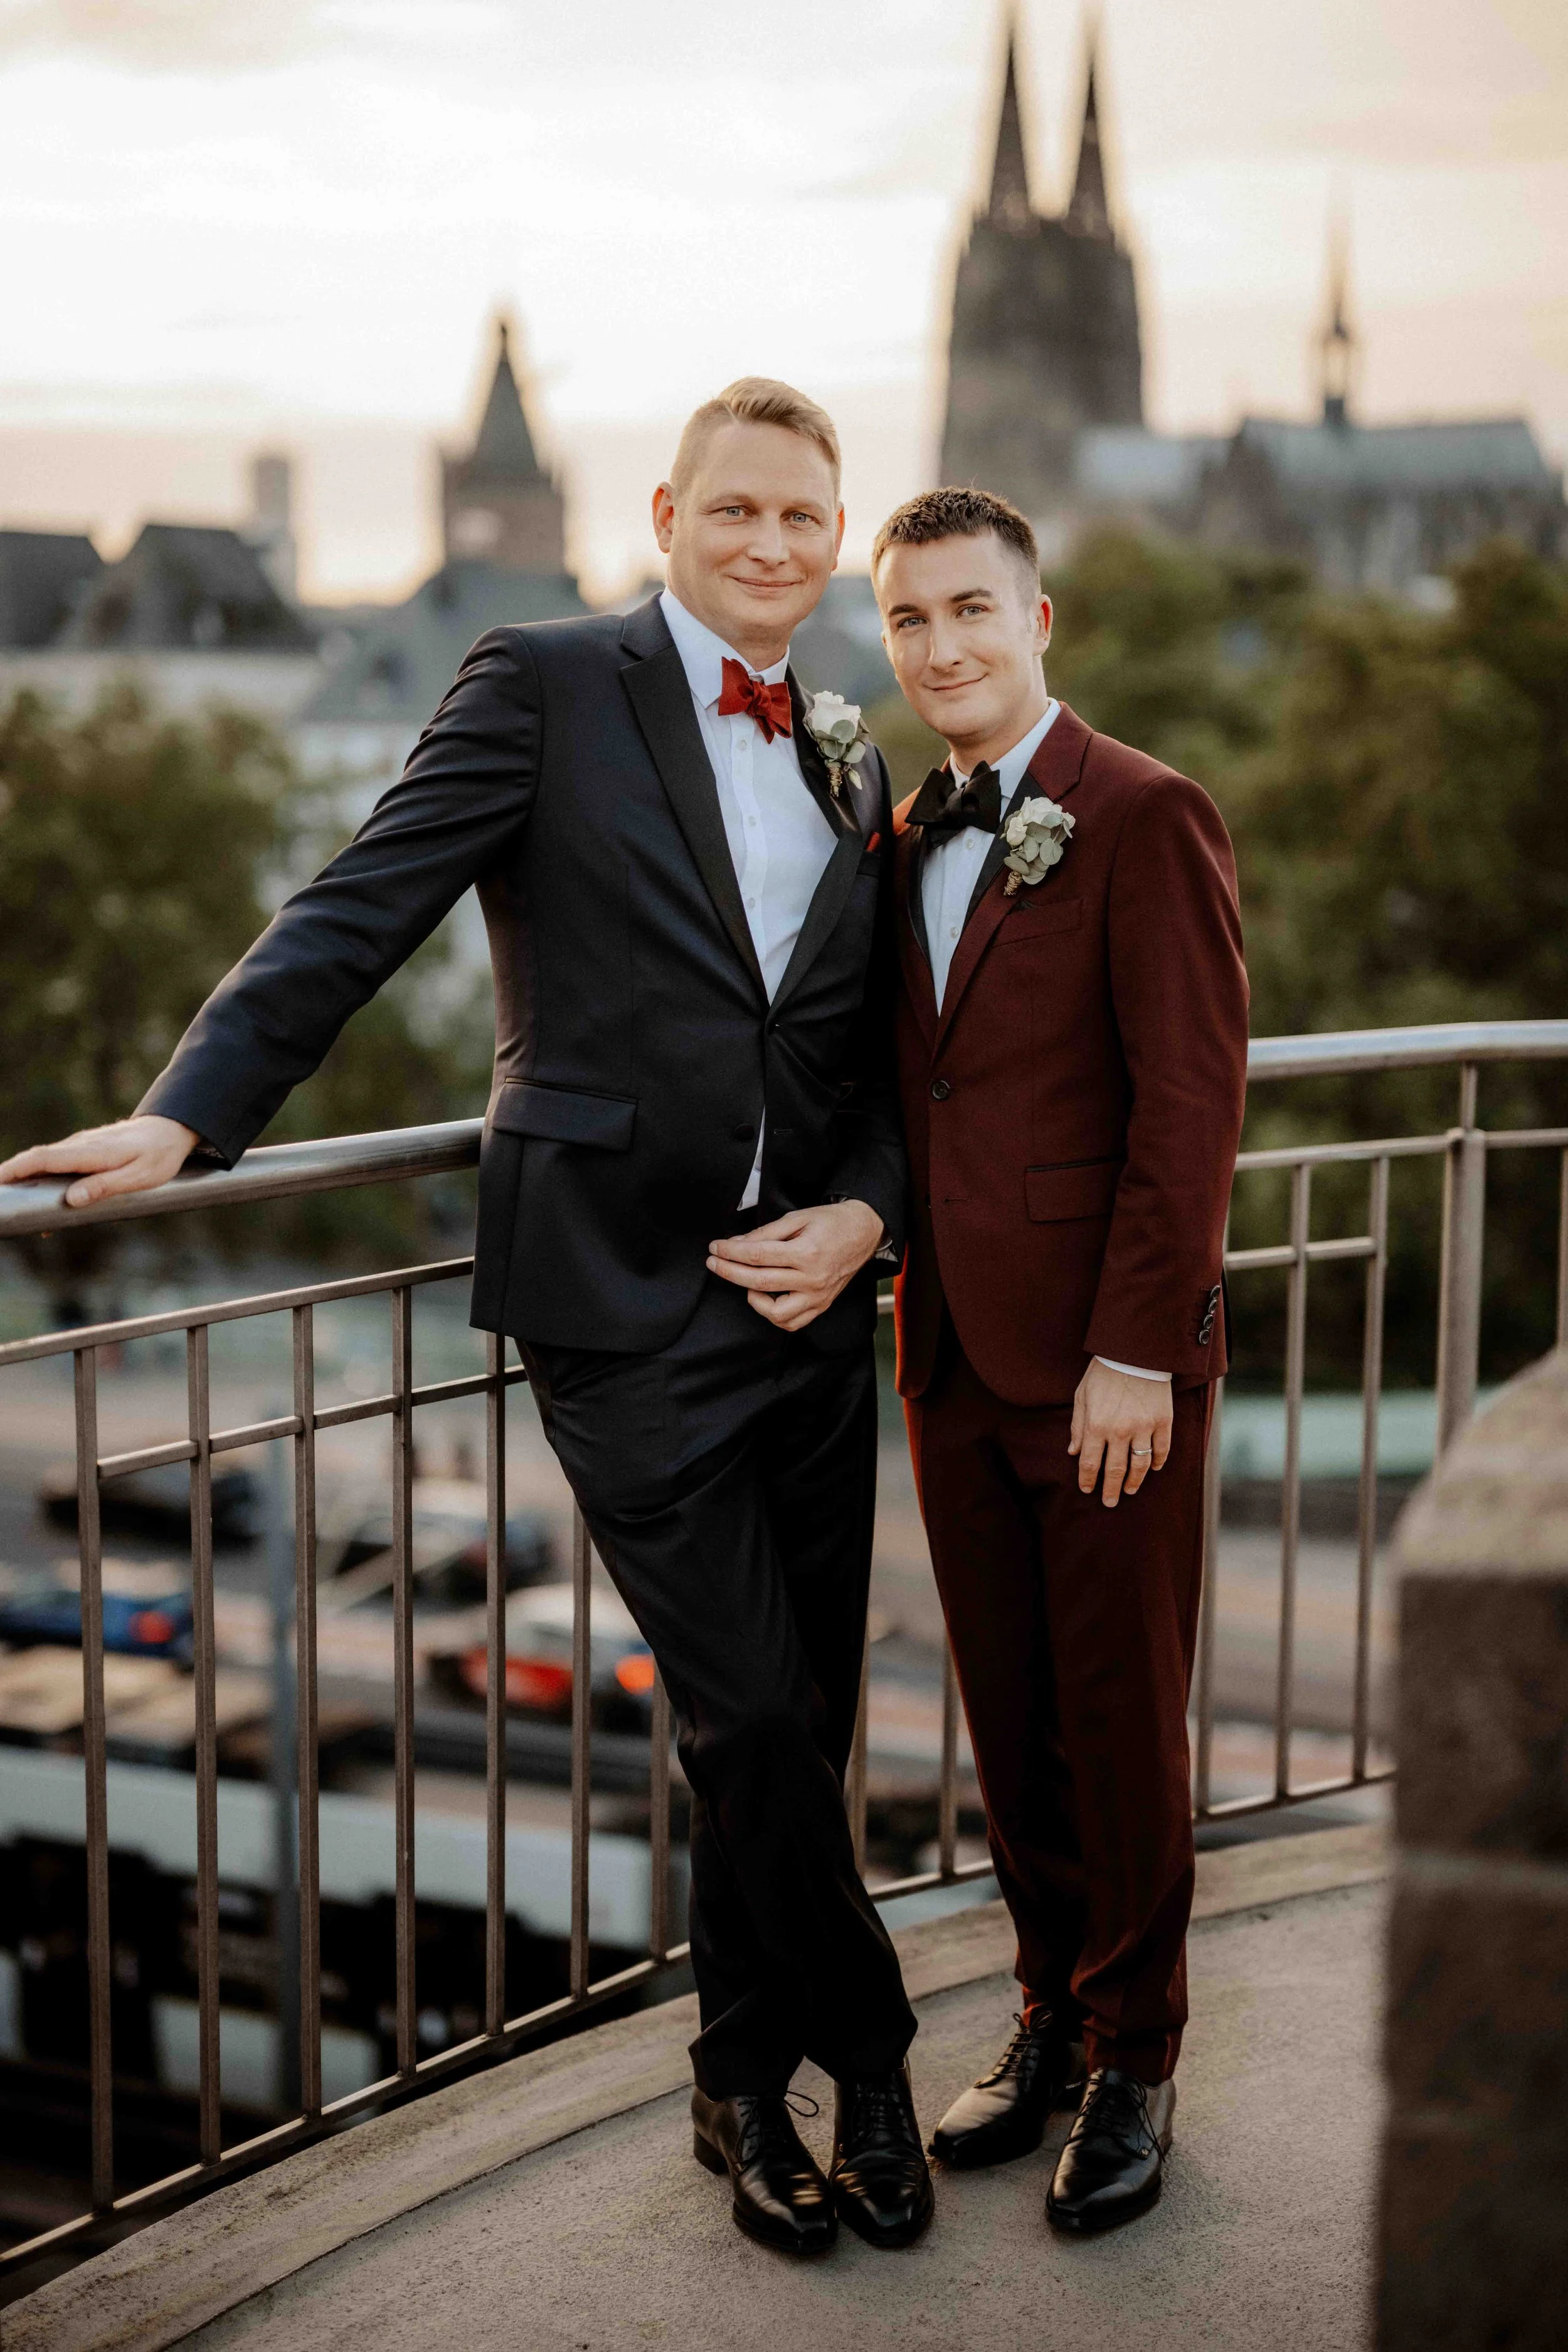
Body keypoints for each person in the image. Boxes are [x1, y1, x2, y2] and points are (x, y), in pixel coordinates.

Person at [0, 380, 934, 2260]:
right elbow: (361, 900)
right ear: (667, 511)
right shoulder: (543, 677)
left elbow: (863, 1057)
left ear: (837, 543)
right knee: (748, 1715)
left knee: (794, 1722)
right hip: (617, 1294)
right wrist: (194, 1110)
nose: (770, 547)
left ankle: (739, 2082)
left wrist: (872, 1222)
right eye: (737, 511)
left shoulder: (846, 749)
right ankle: (879, 2055)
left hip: (814, 1306)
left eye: (804, 523)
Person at [870, 485, 1248, 2233]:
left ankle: (1137, 2054)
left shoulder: (1145, 811)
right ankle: (1044, 2010)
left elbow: (1188, 1108)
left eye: (968, 610)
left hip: (1103, 1375)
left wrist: (1135, 1354)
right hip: (945, 1350)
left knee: (1115, 1718)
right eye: (908, 620)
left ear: (1040, 623)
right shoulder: (902, 832)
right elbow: (913, 1094)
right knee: (1007, 1722)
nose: (939, 645)